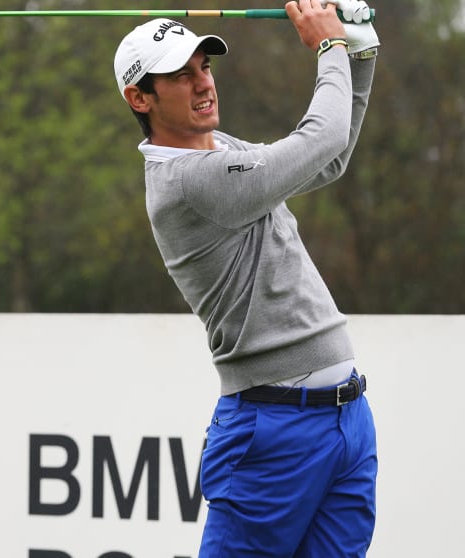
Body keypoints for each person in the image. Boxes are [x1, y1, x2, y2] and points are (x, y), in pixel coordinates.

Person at [113, 0, 379, 556]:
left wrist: (361, 54)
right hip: (272, 430)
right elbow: (321, 138)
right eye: (180, 75)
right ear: (140, 98)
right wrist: (330, 45)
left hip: (347, 419)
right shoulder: (188, 180)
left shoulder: (222, 150)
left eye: (204, 66)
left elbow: (327, 160)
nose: (203, 83)